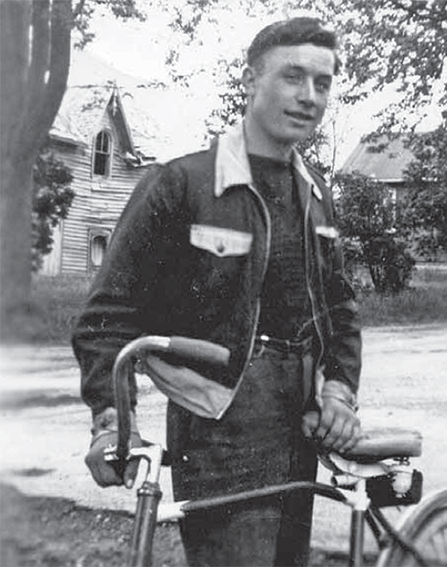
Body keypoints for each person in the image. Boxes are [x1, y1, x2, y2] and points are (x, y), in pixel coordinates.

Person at [73, 16, 362, 567]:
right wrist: (112, 423)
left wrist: (338, 395)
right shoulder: (181, 184)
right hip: (218, 423)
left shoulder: (316, 194)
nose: (309, 97)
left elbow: (339, 310)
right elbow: (108, 317)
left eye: (322, 83)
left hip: (300, 424)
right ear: (251, 80)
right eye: (292, 77)